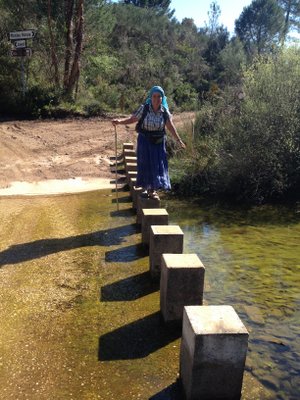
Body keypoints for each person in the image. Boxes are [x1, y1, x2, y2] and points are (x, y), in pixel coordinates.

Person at [112, 85, 185, 199]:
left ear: (162, 98)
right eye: (154, 96)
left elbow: (170, 126)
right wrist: (119, 121)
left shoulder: (164, 111)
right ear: (151, 97)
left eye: (159, 97)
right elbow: (132, 119)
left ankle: (152, 191)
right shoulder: (144, 108)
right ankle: (146, 188)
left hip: (158, 143)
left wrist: (179, 140)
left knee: (156, 165)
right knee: (145, 164)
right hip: (144, 141)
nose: (156, 99)